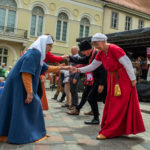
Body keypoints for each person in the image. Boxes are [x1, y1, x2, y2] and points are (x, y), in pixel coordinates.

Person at [70, 33, 145, 140]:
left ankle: (111, 131)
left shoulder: (115, 49)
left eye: (97, 44)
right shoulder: (101, 53)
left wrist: (133, 79)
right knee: (112, 105)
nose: (96, 47)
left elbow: (127, 63)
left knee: (117, 105)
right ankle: (118, 129)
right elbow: (92, 66)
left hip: (122, 79)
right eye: (94, 44)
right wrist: (78, 70)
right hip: (112, 79)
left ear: (103, 41)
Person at [0, 35, 63, 144]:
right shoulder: (35, 53)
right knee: (28, 105)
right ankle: (21, 135)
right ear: (43, 43)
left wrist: (62, 67)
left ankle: (15, 132)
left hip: (18, 83)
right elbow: (26, 73)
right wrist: (30, 93)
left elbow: (45, 67)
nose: (50, 49)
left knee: (18, 107)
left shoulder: (36, 52)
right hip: (19, 83)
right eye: (49, 46)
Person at [67, 40, 107, 125]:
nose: (84, 54)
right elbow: (82, 60)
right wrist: (69, 58)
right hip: (94, 79)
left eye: (83, 52)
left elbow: (103, 69)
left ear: (87, 49)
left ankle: (99, 118)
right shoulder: (91, 55)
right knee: (90, 97)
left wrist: (102, 84)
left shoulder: (96, 54)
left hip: (100, 80)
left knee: (96, 98)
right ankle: (96, 117)